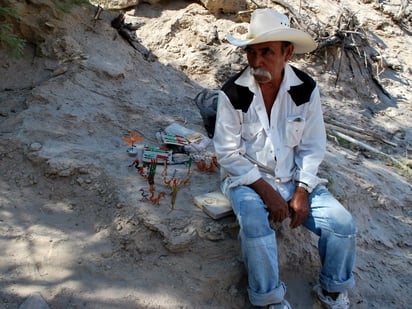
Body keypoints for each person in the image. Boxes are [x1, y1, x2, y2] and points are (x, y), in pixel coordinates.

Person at [213, 8, 356, 309]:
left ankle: (332, 289)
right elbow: (228, 153)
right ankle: (268, 299)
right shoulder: (233, 93)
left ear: (287, 52)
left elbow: (313, 146)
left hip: (293, 178)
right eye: (251, 53)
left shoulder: (305, 89)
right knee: (254, 224)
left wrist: (302, 189)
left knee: (342, 223)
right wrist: (266, 192)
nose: (257, 62)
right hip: (248, 180)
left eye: (267, 52)